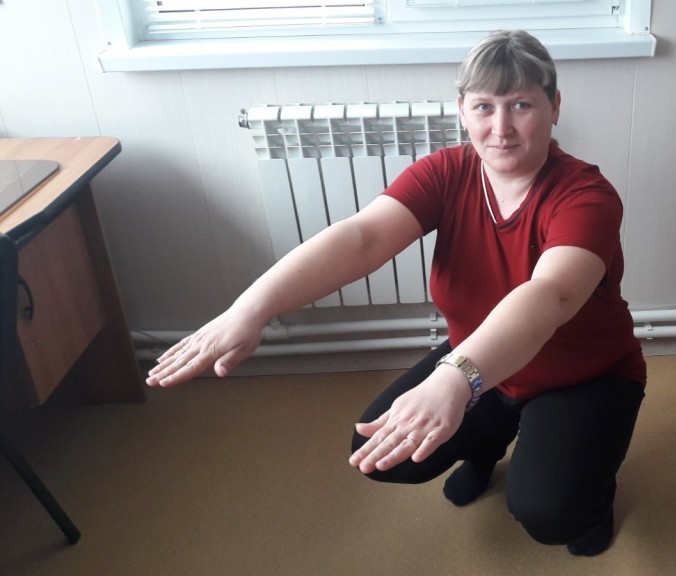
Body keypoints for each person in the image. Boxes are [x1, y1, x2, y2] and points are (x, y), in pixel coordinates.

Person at [147, 29, 646, 557]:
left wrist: (455, 379)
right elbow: (362, 238)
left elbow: (552, 296)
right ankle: (487, 443)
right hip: (483, 368)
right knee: (381, 453)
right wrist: (252, 307)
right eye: (484, 106)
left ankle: (595, 491)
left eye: (521, 105)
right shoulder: (446, 173)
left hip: (582, 377)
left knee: (551, 513)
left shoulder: (586, 196)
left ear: (554, 106)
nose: (500, 128)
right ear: (462, 110)